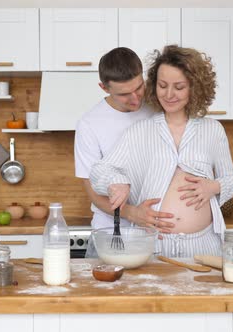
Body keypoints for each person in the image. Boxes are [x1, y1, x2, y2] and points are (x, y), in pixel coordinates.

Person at [89, 45, 233, 257]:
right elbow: (100, 171)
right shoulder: (140, 131)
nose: (169, 95)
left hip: (204, 247)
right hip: (153, 246)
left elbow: (231, 178)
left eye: (179, 87)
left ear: (194, 87)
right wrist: (115, 182)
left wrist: (213, 186)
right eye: (162, 85)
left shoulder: (213, 130)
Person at [74, 47, 174, 233]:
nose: (135, 99)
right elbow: (94, 195)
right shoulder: (89, 125)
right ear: (104, 88)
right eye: (124, 94)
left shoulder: (157, 107)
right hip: (111, 231)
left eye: (138, 88)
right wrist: (132, 213)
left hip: (153, 231)